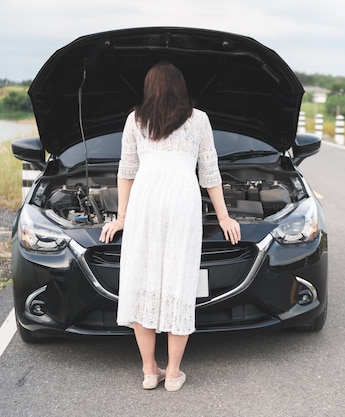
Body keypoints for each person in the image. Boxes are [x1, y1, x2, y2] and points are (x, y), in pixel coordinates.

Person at [99, 61, 240, 392]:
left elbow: (126, 171)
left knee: (140, 281)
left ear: (150, 88)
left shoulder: (135, 120)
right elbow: (210, 173)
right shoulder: (200, 119)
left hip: (145, 201)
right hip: (181, 202)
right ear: (181, 87)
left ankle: (150, 371)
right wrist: (223, 217)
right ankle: (173, 373)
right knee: (179, 282)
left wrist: (122, 216)